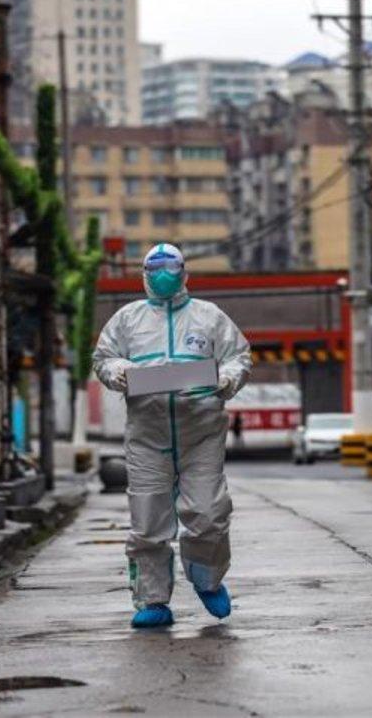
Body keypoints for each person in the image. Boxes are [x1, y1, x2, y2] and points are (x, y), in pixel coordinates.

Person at [93, 244, 252, 628]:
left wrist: (226, 378)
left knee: (209, 513)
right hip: (148, 435)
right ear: (144, 273)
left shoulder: (208, 317)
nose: (163, 272)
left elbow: (239, 356)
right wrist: (122, 372)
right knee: (147, 519)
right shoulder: (127, 319)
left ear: (184, 272)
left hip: (201, 432)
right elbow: (103, 358)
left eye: (171, 266)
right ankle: (152, 600)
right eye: (155, 266)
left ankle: (207, 578)